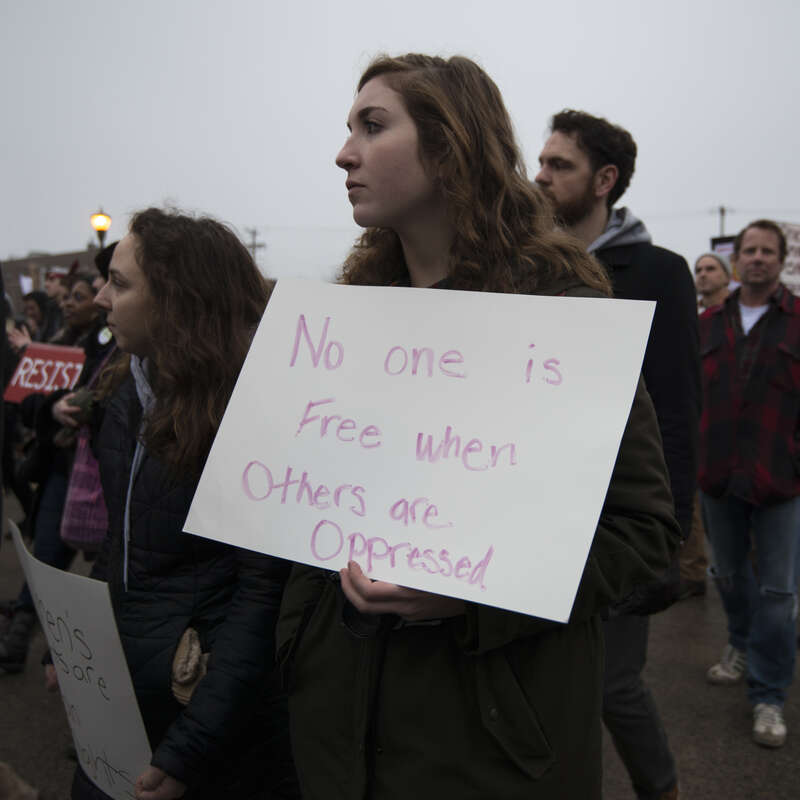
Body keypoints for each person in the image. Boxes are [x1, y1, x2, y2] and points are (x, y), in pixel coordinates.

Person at [277, 54, 680, 799]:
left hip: (490, 742)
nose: (344, 153)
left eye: (373, 126)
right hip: (337, 731)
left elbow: (643, 534)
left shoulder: (564, 320)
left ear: (449, 144)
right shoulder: (345, 324)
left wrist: (476, 595)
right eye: (348, 129)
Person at [71, 208, 297, 800]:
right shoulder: (124, 391)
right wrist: (76, 649)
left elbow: (261, 597)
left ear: (176, 298)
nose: (100, 299)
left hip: (210, 725)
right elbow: (120, 542)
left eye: (119, 284)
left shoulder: (252, 410)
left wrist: (193, 746)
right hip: (124, 698)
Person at [536, 109, 699, 800]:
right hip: (536, 508)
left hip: (619, 519)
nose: (539, 177)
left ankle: (660, 789)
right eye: (539, 163)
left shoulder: (659, 272)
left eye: (559, 166)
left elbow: (676, 409)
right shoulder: (525, 266)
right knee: (541, 681)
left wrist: (666, 533)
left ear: (605, 180)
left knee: (612, 683)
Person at [699, 219, 800, 749]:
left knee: (779, 593)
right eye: (750, 250)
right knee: (730, 576)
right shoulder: (709, 323)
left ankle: (768, 695)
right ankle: (739, 644)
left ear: (782, 259)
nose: (758, 258)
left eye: (768, 250)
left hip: (782, 480)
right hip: (718, 477)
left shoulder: (798, 321)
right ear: (737, 259)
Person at [0, 272, 114, 674]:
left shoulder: (114, 347)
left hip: (100, 481)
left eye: (77, 296)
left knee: (103, 579)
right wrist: (51, 407)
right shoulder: (67, 343)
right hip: (64, 472)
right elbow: (29, 402)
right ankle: (17, 643)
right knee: (46, 560)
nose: (71, 303)